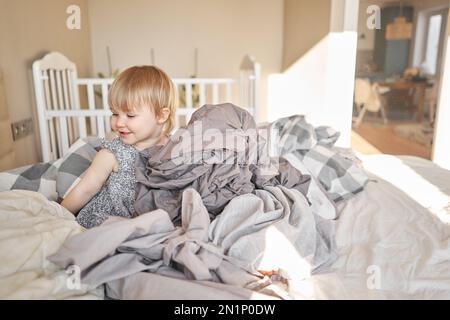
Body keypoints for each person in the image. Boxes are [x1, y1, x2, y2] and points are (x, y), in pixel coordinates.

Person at [61, 65, 177, 228]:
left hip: (153, 221)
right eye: (115, 113)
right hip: (109, 222)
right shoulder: (112, 154)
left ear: (161, 115)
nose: (119, 122)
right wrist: (59, 215)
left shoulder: (174, 149)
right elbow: (86, 188)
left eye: (130, 115)